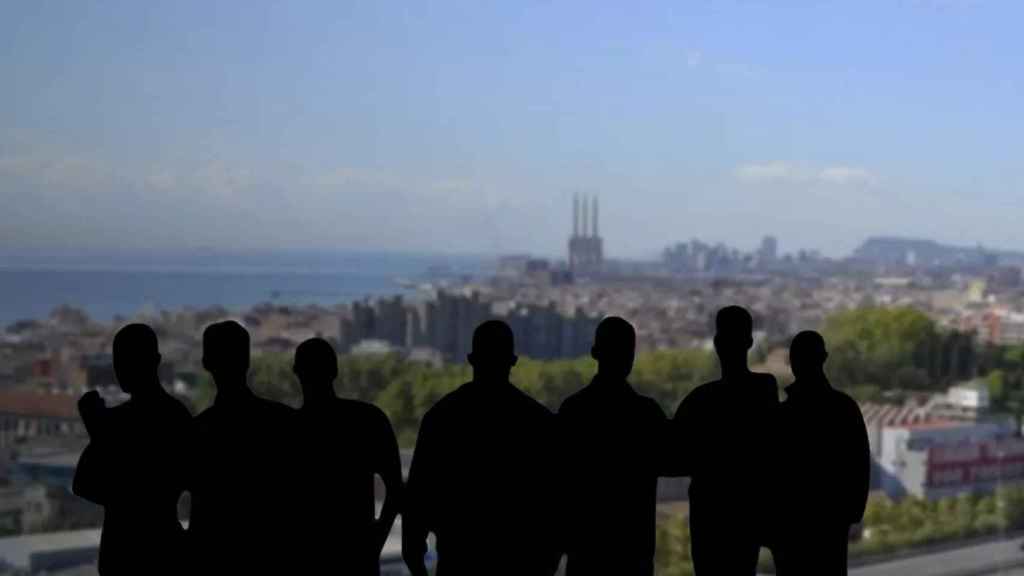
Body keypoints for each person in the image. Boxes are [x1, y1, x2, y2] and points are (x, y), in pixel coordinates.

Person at [403, 320, 559, 576]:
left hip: (459, 560)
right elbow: (556, 504)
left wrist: (416, 559)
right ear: (513, 360)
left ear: (471, 359)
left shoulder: (442, 417)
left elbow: (418, 495)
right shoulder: (538, 420)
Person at [72, 323, 192, 575]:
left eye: (124, 360)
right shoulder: (177, 415)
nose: (120, 369)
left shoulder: (115, 422)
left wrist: (99, 433)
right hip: (164, 546)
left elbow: (84, 484)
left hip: (122, 550)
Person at [558, 316, 670, 575]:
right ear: (631, 357)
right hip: (633, 554)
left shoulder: (573, 411)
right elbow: (675, 459)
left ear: (595, 353)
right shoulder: (646, 414)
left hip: (585, 553)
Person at [671, 305, 779, 575]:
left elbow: (672, 458)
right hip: (747, 510)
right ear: (750, 343)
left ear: (717, 343)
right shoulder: (765, 389)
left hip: (710, 513)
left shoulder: (699, 400)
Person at [187, 320, 295, 572]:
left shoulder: (198, 431)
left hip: (213, 558)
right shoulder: (285, 421)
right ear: (247, 362)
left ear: (205, 364)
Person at [292, 337, 403, 575]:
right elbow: (396, 489)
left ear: (296, 372)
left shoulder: (288, 430)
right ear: (335, 371)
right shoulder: (368, 420)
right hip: (356, 558)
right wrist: (376, 540)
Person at [774, 331, 870, 576]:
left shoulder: (782, 416)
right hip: (832, 523)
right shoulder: (844, 408)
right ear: (824, 358)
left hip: (791, 526)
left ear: (792, 362)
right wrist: (852, 514)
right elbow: (860, 466)